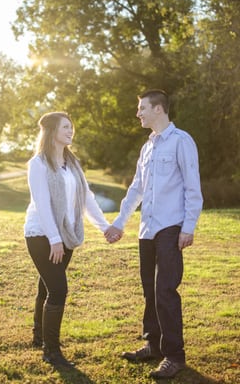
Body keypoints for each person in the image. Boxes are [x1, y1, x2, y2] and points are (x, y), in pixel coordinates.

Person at [105, 89, 203, 379]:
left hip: (171, 227)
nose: (139, 114)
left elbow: (192, 188)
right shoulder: (147, 147)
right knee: (150, 290)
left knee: (165, 291)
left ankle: (175, 355)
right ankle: (153, 344)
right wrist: (120, 222)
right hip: (147, 229)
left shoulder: (181, 142)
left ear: (158, 109)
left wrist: (188, 227)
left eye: (142, 108)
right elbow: (136, 188)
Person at [24, 111, 115, 368]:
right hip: (41, 234)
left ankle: (38, 336)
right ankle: (51, 351)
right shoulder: (38, 164)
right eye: (65, 127)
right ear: (52, 132)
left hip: (66, 234)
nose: (70, 130)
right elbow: (41, 203)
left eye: (71, 126)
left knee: (47, 285)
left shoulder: (73, 164)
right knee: (58, 289)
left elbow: (87, 199)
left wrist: (104, 227)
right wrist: (54, 239)